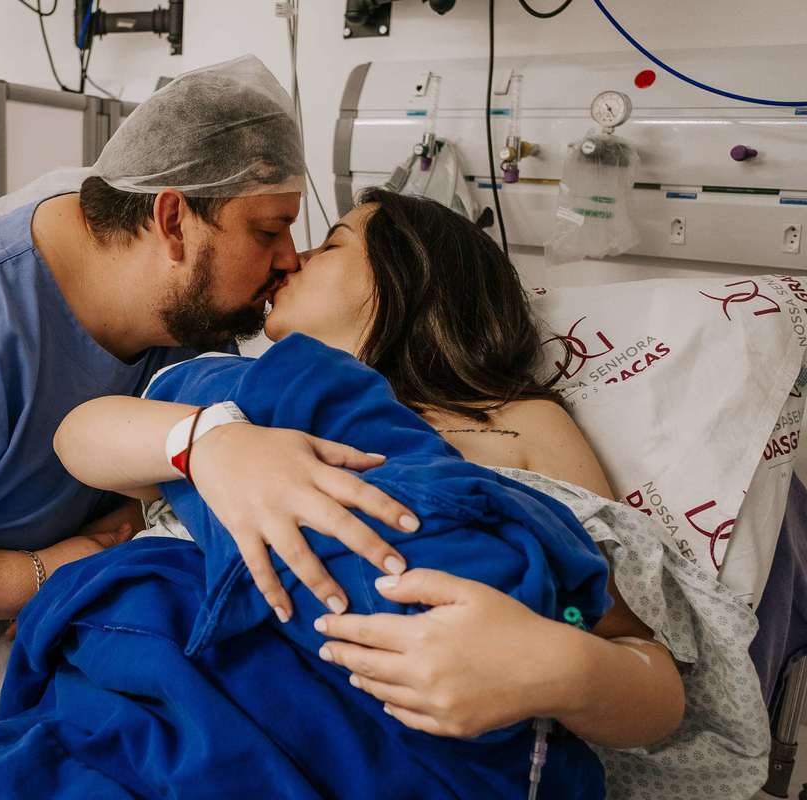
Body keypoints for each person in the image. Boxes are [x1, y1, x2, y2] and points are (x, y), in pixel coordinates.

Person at [0, 56, 418, 800]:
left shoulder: (183, 318)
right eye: (269, 230)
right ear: (172, 219)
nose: (288, 258)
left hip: (32, 713)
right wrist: (37, 576)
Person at [53, 189, 685, 751]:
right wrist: (213, 444)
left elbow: (640, 656)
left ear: (409, 277)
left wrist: (558, 666)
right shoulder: (242, 396)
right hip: (177, 704)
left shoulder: (511, 421)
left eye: (330, 245)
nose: (291, 260)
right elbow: (78, 438)